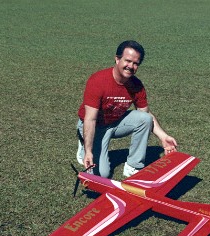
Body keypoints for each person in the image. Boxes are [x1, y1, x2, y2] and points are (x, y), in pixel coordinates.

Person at [76, 40, 177, 178]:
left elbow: (145, 115)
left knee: (145, 118)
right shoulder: (98, 81)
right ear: (117, 59)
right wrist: (89, 151)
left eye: (136, 63)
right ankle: (84, 144)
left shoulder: (136, 85)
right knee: (101, 175)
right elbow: (90, 119)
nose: (131, 66)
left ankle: (133, 166)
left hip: (115, 123)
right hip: (94, 126)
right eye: (128, 61)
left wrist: (163, 136)